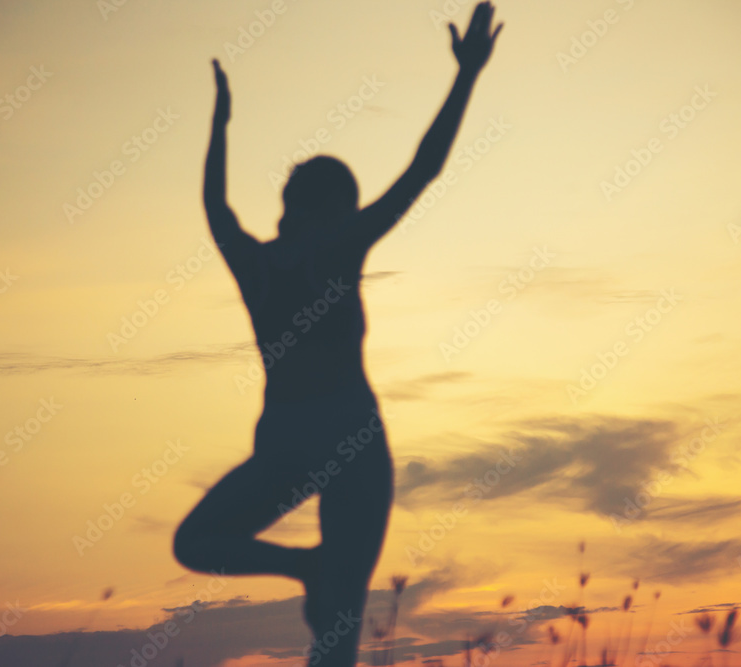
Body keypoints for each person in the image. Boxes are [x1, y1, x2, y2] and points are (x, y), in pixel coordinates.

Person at [173, 4, 502, 665]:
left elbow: (216, 208)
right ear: (326, 208)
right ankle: (313, 569)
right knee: (330, 622)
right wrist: (466, 77)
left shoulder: (262, 263)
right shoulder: (333, 247)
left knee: (214, 552)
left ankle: (310, 569)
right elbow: (423, 170)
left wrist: (220, 126)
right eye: (346, 205)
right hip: (346, 438)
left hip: (299, 442)